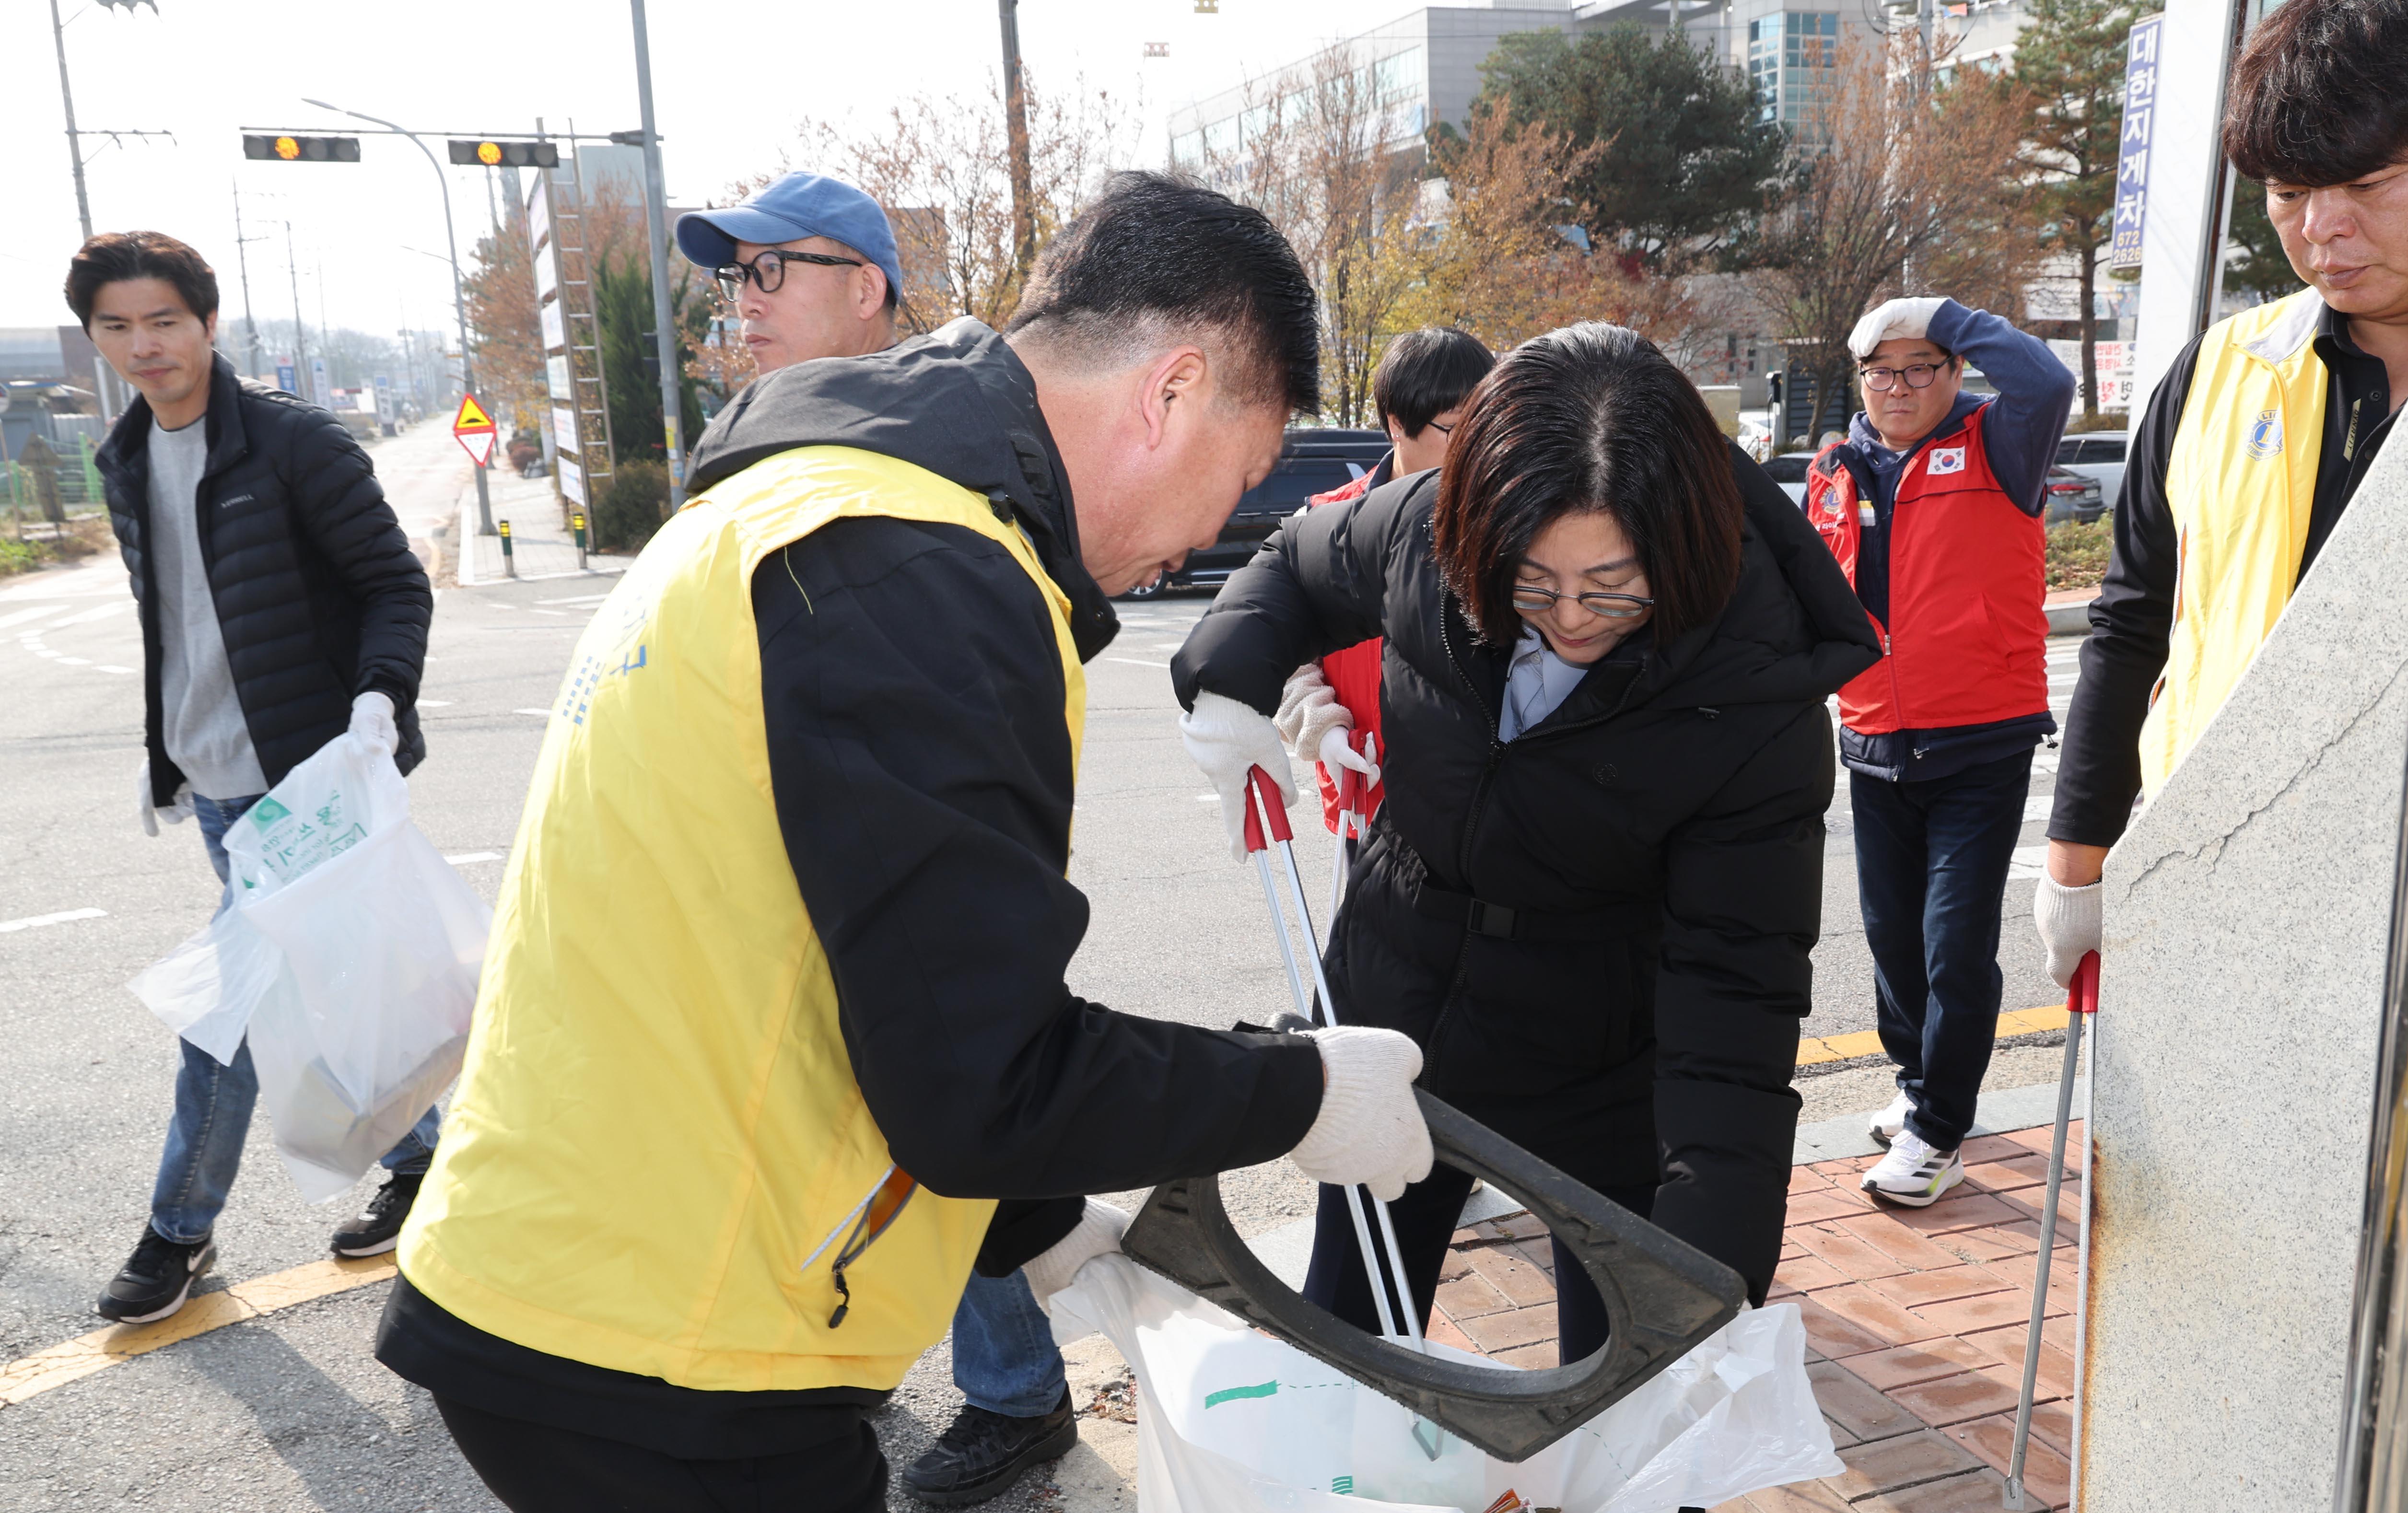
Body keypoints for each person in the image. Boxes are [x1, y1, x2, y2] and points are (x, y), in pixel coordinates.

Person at [374, 174, 1436, 1513]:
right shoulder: (925, 566)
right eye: (1232, 480)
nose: (1205, 536)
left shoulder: (811, 508)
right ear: (1170, 394)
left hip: (590, 1290)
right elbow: (980, 1077)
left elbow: (833, 958)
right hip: (673, 1353)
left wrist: (1043, 1221)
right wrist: (1298, 1092)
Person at [1174, 323, 1882, 1355]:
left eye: (1613, 586)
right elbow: (1294, 565)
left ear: (1680, 544)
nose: (1570, 619)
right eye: (1530, 582)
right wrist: (1228, 682)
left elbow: (1735, 1003)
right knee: (1349, 1345)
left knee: (1620, 1381)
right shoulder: (1427, 532)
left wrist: (1706, 1280)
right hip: (1394, 1012)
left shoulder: (1753, 692)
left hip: (1598, 1057)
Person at [678, 169, 1070, 1506]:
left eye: (770, 273)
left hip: (900, 859)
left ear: (866, 285)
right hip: (786, 862)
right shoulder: (776, 431)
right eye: (735, 281)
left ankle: (1018, 1388)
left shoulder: (927, 452)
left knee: (939, 1097)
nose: (745, 305)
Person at [2037, 0, 2408, 995]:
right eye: (2288, 191)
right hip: (2233, 878)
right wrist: (2076, 859)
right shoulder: (2223, 373)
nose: (2322, 229)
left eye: (2369, 181)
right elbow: (2135, 621)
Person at [74, 231, 436, 1324]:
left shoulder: (293, 446)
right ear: (95, 338)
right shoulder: (122, 461)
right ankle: (429, 1165)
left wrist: (377, 699)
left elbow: (392, 585)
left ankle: (178, 1228)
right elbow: (175, 625)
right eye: (117, 327)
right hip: (217, 782)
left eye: (164, 321)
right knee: (325, 992)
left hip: (309, 778)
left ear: (208, 321)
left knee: (223, 1009)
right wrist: (167, 754)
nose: (145, 346)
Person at [1803, 296, 2072, 1207]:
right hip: (1875, 735)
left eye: (1924, 365)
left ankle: (1940, 1131)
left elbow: (2049, 377)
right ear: (1860, 380)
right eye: (1883, 370)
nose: (1901, 386)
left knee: (1954, 943)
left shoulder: (2003, 440)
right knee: (1890, 939)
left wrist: (1953, 314)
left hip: (1981, 739)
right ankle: (1919, 1083)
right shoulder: (1836, 467)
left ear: (1955, 368)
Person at [1274, 326, 1496, 848]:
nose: (1476, 448)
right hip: (1369, 802)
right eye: (1456, 429)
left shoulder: (1504, 521)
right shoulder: (1324, 524)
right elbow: (1283, 652)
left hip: (1484, 812)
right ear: (1398, 425)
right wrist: (1323, 730)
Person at [674, 170, 904, 377]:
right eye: (742, 277)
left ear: (866, 291)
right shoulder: (760, 418)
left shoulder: (928, 416)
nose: (745, 304)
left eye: (773, 268)